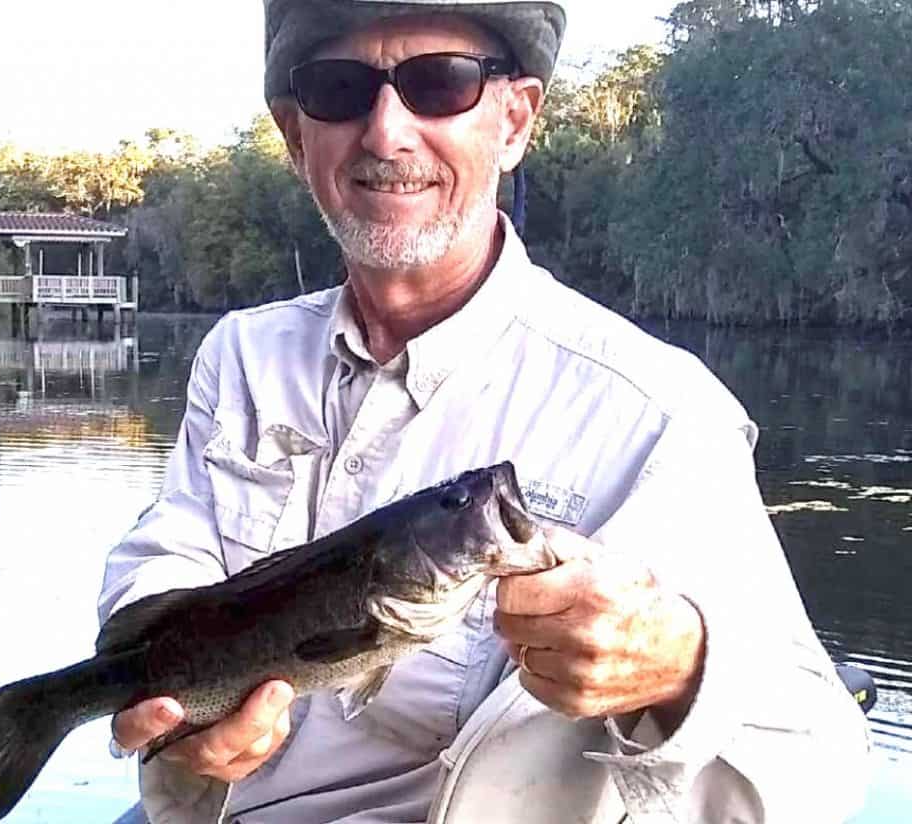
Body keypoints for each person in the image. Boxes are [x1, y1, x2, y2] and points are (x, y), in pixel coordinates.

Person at [101, 1, 871, 822]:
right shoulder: (242, 356)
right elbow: (170, 554)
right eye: (338, 89)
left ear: (515, 120)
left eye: (441, 83)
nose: (387, 132)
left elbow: (817, 767)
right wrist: (166, 705)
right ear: (295, 136)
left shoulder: (662, 414)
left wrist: (681, 668)